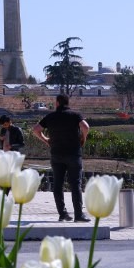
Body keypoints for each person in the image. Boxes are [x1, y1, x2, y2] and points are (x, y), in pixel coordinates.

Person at [32, 94, 90, 223]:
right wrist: (83, 138)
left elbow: (36, 130)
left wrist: (46, 140)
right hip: (73, 153)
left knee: (58, 184)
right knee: (75, 184)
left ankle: (62, 214)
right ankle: (78, 215)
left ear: (57, 103)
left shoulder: (50, 117)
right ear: (67, 103)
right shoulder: (75, 115)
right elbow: (85, 127)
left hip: (56, 154)